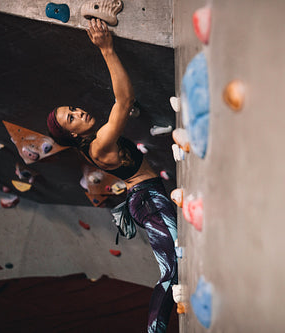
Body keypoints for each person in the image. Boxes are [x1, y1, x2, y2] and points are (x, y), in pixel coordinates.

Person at [46, 18, 177, 333]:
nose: (79, 113)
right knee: (173, 269)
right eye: (72, 118)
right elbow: (124, 101)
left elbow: (125, 106)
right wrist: (106, 48)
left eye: (74, 109)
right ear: (71, 134)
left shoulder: (97, 141)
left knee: (180, 259)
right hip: (147, 199)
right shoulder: (100, 145)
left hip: (149, 194)